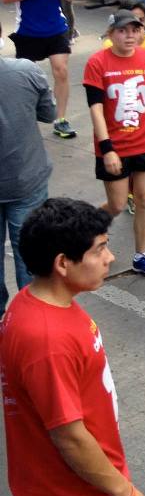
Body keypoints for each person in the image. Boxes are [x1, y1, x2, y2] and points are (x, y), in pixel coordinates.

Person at [0, 198, 145, 496]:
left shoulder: (38, 301)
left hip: (75, 491)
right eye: (100, 250)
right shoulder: (47, 339)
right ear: (63, 263)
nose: (110, 258)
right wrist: (122, 491)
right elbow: (68, 435)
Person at [84, 9, 145, 279]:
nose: (129, 35)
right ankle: (86, 228)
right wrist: (107, 148)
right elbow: (96, 109)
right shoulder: (98, 62)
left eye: (135, 30)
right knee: (117, 204)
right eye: (123, 30)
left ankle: (141, 255)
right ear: (111, 34)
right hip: (115, 146)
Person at [2, 0, 76, 139]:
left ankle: (60, 119)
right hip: (28, 30)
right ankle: (26, 118)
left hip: (56, 27)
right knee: (25, 77)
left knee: (61, 70)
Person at [0, 55, 55, 315]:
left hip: (24, 179)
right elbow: (49, 113)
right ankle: (28, 319)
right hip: (26, 178)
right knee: (30, 255)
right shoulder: (27, 71)